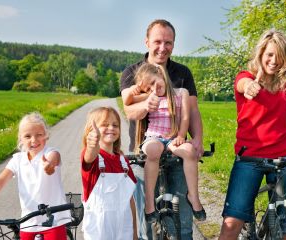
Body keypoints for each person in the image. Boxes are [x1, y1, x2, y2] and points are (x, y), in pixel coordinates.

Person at [218, 29, 286, 240]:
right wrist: (250, 87)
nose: (274, 61)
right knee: (232, 224)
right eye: (269, 54)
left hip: (284, 160)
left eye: (279, 56)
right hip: (249, 159)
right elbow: (242, 85)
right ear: (260, 54)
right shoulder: (246, 77)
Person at [120, 19, 204, 239]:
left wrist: (197, 140)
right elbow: (128, 110)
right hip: (144, 151)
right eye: (157, 41)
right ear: (147, 42)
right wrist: (145, 103)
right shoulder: (133, 72)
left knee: (183, 222)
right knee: (147, 228)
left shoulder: (182, 73)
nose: (162, 47)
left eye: (168, 42)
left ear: (173, 45)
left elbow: (192, 111)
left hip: (176, 147)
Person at [123, 63, 206, 223]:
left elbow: (186, 118)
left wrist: (182, 135)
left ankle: (193, 197)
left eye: (155, 82)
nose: (154, 89)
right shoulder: (150, 97)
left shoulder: (181, 93)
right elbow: (127, 101)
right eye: (149, 88)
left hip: (174, 138)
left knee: (189, 151)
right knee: (152, 151)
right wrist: (136, 91)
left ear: (161, 74)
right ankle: (149, 204)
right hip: (154, 137)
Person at [0, 112, 70, 240]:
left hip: (54, 220)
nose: (33, 140)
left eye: (39, 135)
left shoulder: (50, 152)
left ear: (46, 136)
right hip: (28, 223)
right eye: (28, 136)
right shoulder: (18, 160)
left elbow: (54, 158)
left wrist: (49, 164)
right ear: (20, 139)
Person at [80, 106, 138, 240]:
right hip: (99, 232)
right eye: (104, 125)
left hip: (124, 230)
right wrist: (92, 145)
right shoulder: (93, 159)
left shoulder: (123, 161)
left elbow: (130, 200)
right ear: (91, 130)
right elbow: (89, 155)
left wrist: (134, 232)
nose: (111, 128)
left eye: (115, 125)